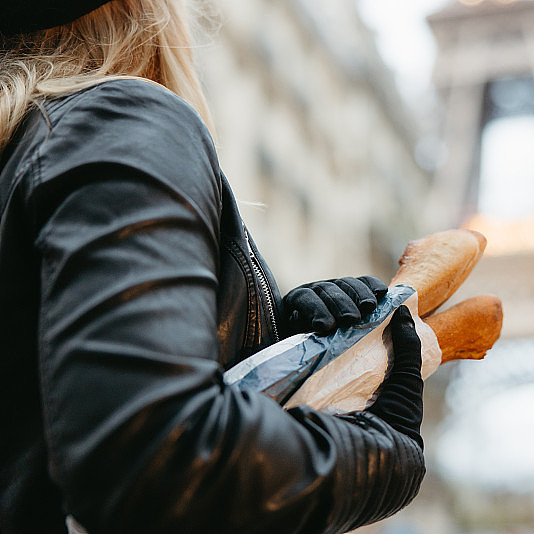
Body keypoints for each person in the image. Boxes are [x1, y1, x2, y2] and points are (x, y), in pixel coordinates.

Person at [0, 1, 425, 533]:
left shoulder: (30, 152)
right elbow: (156, 462)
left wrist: (269, 348)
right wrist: (379, 459)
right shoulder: (119, 119)